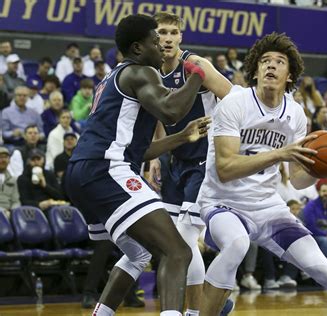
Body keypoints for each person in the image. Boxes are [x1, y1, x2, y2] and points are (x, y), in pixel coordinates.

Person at [197, 32, 327, 316]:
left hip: (269, 207)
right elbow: (226, 168)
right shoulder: (234, 103)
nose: (271, 66)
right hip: (223, 203)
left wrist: (322, 169)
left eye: (279, 62)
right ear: (255, 71)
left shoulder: (295, 114)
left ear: (290, 75)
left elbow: (296, 178)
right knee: (236, 243)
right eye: (265, 61)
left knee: (321, 267)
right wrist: (280, 153)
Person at [64, 14, 207, 316]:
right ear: (138, 48)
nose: (162, 45)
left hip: (83, 172)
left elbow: (135, 151)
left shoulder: (112, 78)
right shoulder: (141, 72)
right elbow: (170, 110)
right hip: (104, 170)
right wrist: (197, 74)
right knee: (177, 251)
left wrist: (182, 137)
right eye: (156, 40)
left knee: (139, 253)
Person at [149, 12, 233, 316]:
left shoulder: (195, 65)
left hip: (204, 159)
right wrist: (157, 156)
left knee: (183, 240)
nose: (168, 38)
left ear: (181, 36)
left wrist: (227, 142)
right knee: (173, 241)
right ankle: (215, 306)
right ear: (153, 37)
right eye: (162, 32)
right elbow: (158, 113)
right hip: (175, 160)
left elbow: (234, 98)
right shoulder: (151, 70)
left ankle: (197, 312)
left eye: (173, 32)